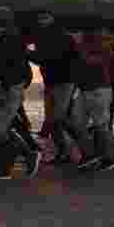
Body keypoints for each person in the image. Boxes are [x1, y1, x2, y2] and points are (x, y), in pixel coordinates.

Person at [0, 6, 40, 180]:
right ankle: (9, 163)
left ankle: (21, 158)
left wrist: (2, 84)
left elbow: (16, 68)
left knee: (0, 131)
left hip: (10, 88)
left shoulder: (13, 40)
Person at [27, 12, 81, 164]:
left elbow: (48, 58)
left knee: (58, 119)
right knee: (55, 120)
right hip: (54, 82)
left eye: (45, 17)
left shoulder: (59, 36)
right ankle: (65, 152)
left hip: (63, 82)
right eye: (40, 17)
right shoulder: (46, 35)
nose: (42, 20)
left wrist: (28, 53)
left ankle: (83, 143)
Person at [72, 29, 114, 171]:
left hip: (99, 89)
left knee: (101, 125)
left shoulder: (104, 42)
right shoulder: (82, 41)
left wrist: (78, 45)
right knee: (77, 123)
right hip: (84, 89)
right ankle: (90, 156)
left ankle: (108, 160)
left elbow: (92, 60)